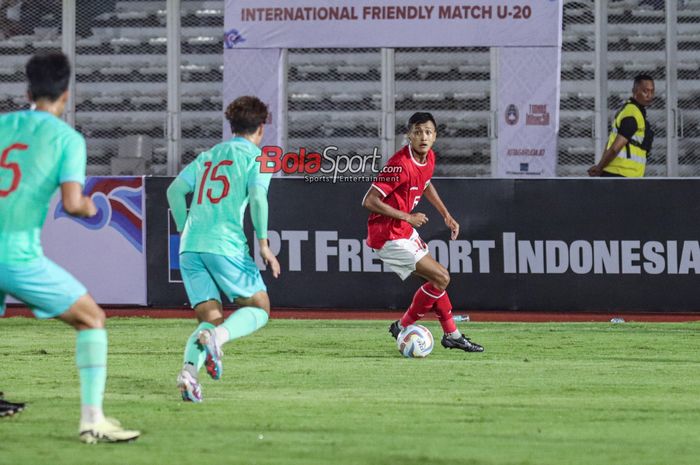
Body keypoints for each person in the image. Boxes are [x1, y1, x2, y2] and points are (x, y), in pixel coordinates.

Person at [0, 52, 140, 443]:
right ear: (66, 94)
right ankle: (92, 419)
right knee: (91, 319)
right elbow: (75, 203)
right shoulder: (67, 139)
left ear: (27, 90)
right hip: (15, 254)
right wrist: (92, 207)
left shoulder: (2, 125)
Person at [167, 95, 280, 402]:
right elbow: (258, 199)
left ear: (232, 125)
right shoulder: (260, 157)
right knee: (259, 308)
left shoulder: (210, 154)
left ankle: (189, 374)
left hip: (190, 246)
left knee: (210, 317)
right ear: (260, 128)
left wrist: (183, 228)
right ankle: (216, 340)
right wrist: (264, 244)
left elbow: (175, 190)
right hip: (225, 244)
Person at [362, 112, 484, 353]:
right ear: (409, 135)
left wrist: (446, 214)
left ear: (435, 136)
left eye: (428, 132)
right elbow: (369, 200)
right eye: (417, 132)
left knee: (437, 280)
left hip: (402, 231)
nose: (423, 137)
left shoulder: (428, 158)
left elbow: (426, 183)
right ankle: (406, 325)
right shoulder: (399, 164)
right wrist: (407, 216)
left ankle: (451, 335)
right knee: (441, 278)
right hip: (387, 235)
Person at [588, 74, 655, 178]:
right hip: (620, 175)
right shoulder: (632, 113)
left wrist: (600, 166)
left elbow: (610, 142)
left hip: (625, 175)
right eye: (645, 91)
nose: (649, 95)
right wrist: (599, 168)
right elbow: (616, 147)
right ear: (635, 91)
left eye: (652, 91)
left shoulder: (632, 111)